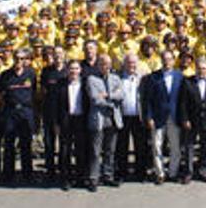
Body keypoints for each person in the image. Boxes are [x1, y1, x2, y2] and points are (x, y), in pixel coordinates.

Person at [0, 49, 37, 184]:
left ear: (26, 60)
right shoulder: (5, 75)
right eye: (17, 58)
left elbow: (35, 92)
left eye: (22, 58)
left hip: (26, 111)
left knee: (26, 144)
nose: (19, 61)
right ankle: (8, 174)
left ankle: (28, 174)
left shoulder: (31, 74)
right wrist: (4, 107)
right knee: (9, 144)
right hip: (10, 112)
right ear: (13, 59)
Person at [144, 50, 184, 184]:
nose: (167, 62)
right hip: (158, 116)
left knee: (175, 147)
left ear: (173, 61)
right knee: (157, 146)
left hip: (174, 116)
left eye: (170, 59)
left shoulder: (180, 76)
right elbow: (148, 99)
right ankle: (160, 173)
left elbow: (183, 100)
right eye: (165, 59)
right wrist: (149, 117)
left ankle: (173, 172)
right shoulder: (153, 77)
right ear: (161, 61)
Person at [86, 54, 124, 192]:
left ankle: (108, 175)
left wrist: (108, 95)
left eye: (107, 64)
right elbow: (95, 99)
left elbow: (122, 95)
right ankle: (94, 178)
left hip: (113, 119)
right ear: (98, 65)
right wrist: (112, 99)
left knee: (110, 150)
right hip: (99, 119)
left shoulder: (116, 78)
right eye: (102, 64)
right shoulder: (92, 79)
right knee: (96, 151)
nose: (105, 66)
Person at [177, 57, 206, 183]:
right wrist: (185, 119)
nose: (201, 71)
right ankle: (188, 172)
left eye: (204, 68)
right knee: (189, 147)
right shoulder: (187, 82)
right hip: (191, 120)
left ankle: (203, 171)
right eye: (199, 69)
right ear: (195, 69)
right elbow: (182, 103)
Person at [55, 60, 89, 190]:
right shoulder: (61, 84)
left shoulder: (85, 84)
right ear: (67, 70)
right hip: (66, 120)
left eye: (76, 68)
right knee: (65, 150)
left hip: (81, 120)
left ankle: (81, 178)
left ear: (80, 70)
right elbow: (56, 105)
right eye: (71, 68)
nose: (73, 71)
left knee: (81, 150)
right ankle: (66, 179)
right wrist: (56, 123)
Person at [116, 53, 148, 182]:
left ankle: (141, 173)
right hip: (122, 116)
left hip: (138, 116)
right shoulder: (117, 77)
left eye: (134, 63)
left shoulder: (143, 78)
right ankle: (122, 173)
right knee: (121, 146)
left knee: (140, 146)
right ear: (124, 64)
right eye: (129, 63)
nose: (131, 65)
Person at [39, 45, 67, 182]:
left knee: (64, 143)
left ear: (64, 55)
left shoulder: (68, 70)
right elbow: (43, 92)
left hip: (64, 112)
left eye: (60, 53)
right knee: (49, 143)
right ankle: (50, 171)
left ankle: (63, 170)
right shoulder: (46, 71)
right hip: (49, 111)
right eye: (55, 53)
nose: (57, 56)